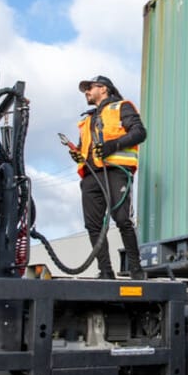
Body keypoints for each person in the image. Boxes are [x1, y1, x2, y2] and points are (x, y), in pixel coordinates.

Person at [71, 75, 147, 279]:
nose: (86, 92)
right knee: (93, 225)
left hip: (115, 171)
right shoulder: (87, 120)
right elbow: (84, 148)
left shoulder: (121, 107)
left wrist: (112, 146)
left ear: (103, 89)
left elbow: (139, 133)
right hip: (90, 176)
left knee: (122, 219)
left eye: (89, 88)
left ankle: (136, 269)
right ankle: (105, 271)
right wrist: (77, 154)